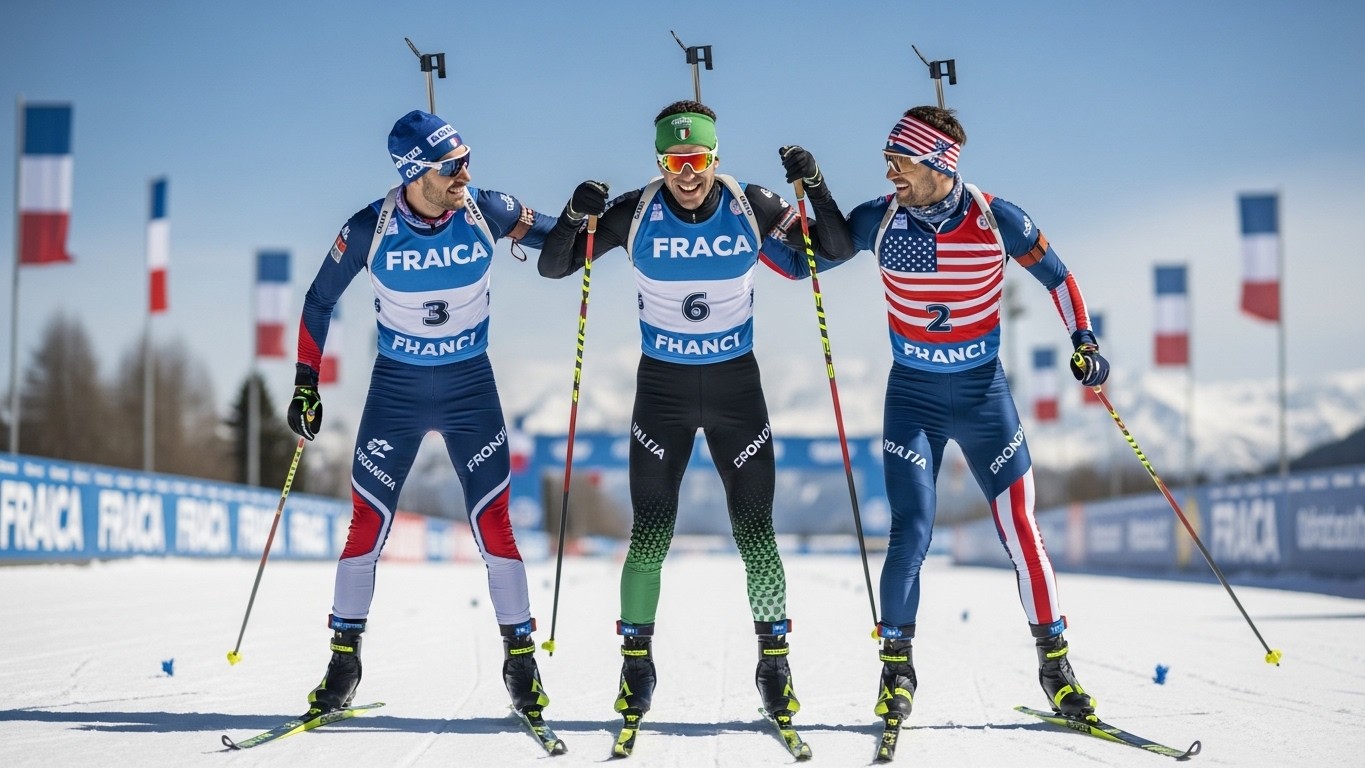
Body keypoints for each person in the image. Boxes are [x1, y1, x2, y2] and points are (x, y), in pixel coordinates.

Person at [537, 100, 854, 728]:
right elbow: (555, 265)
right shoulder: (635, 211)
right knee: (649, 535)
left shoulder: (752, 204)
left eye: (700, 159)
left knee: (755, 531)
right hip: (663, 393)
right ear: (661, 160)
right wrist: (577, 214)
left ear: (716, 156)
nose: (688, 173)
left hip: (737, 388)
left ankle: (774, 666)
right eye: (676, 160)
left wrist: (814, 184)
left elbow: (835, 249)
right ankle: (635, 668)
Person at [842, 106, 1112, 725]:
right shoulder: (879, 220)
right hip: (912, 398)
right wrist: (803, 195)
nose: (889, 173)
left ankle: (1057, 670)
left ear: (938, 162)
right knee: (911, 530)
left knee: (1021, 526)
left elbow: (1060, 278)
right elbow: (806, 256)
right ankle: (896, 672)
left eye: (900, 160)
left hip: (984, 396)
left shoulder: (997, 218)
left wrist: (1085, 342)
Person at [285, 109, 558, 720]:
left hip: (469, 388)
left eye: (466, 159)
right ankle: (343, 661)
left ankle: (521, 662)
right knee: (366, 521)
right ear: (416, 173)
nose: (465, 172)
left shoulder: (486, 209)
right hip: (397, 391)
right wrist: (306, 382)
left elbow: (564, 238)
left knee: (494, 524)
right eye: (450, 165)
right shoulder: (370, 227)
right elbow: (318, 300)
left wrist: (592, 216)